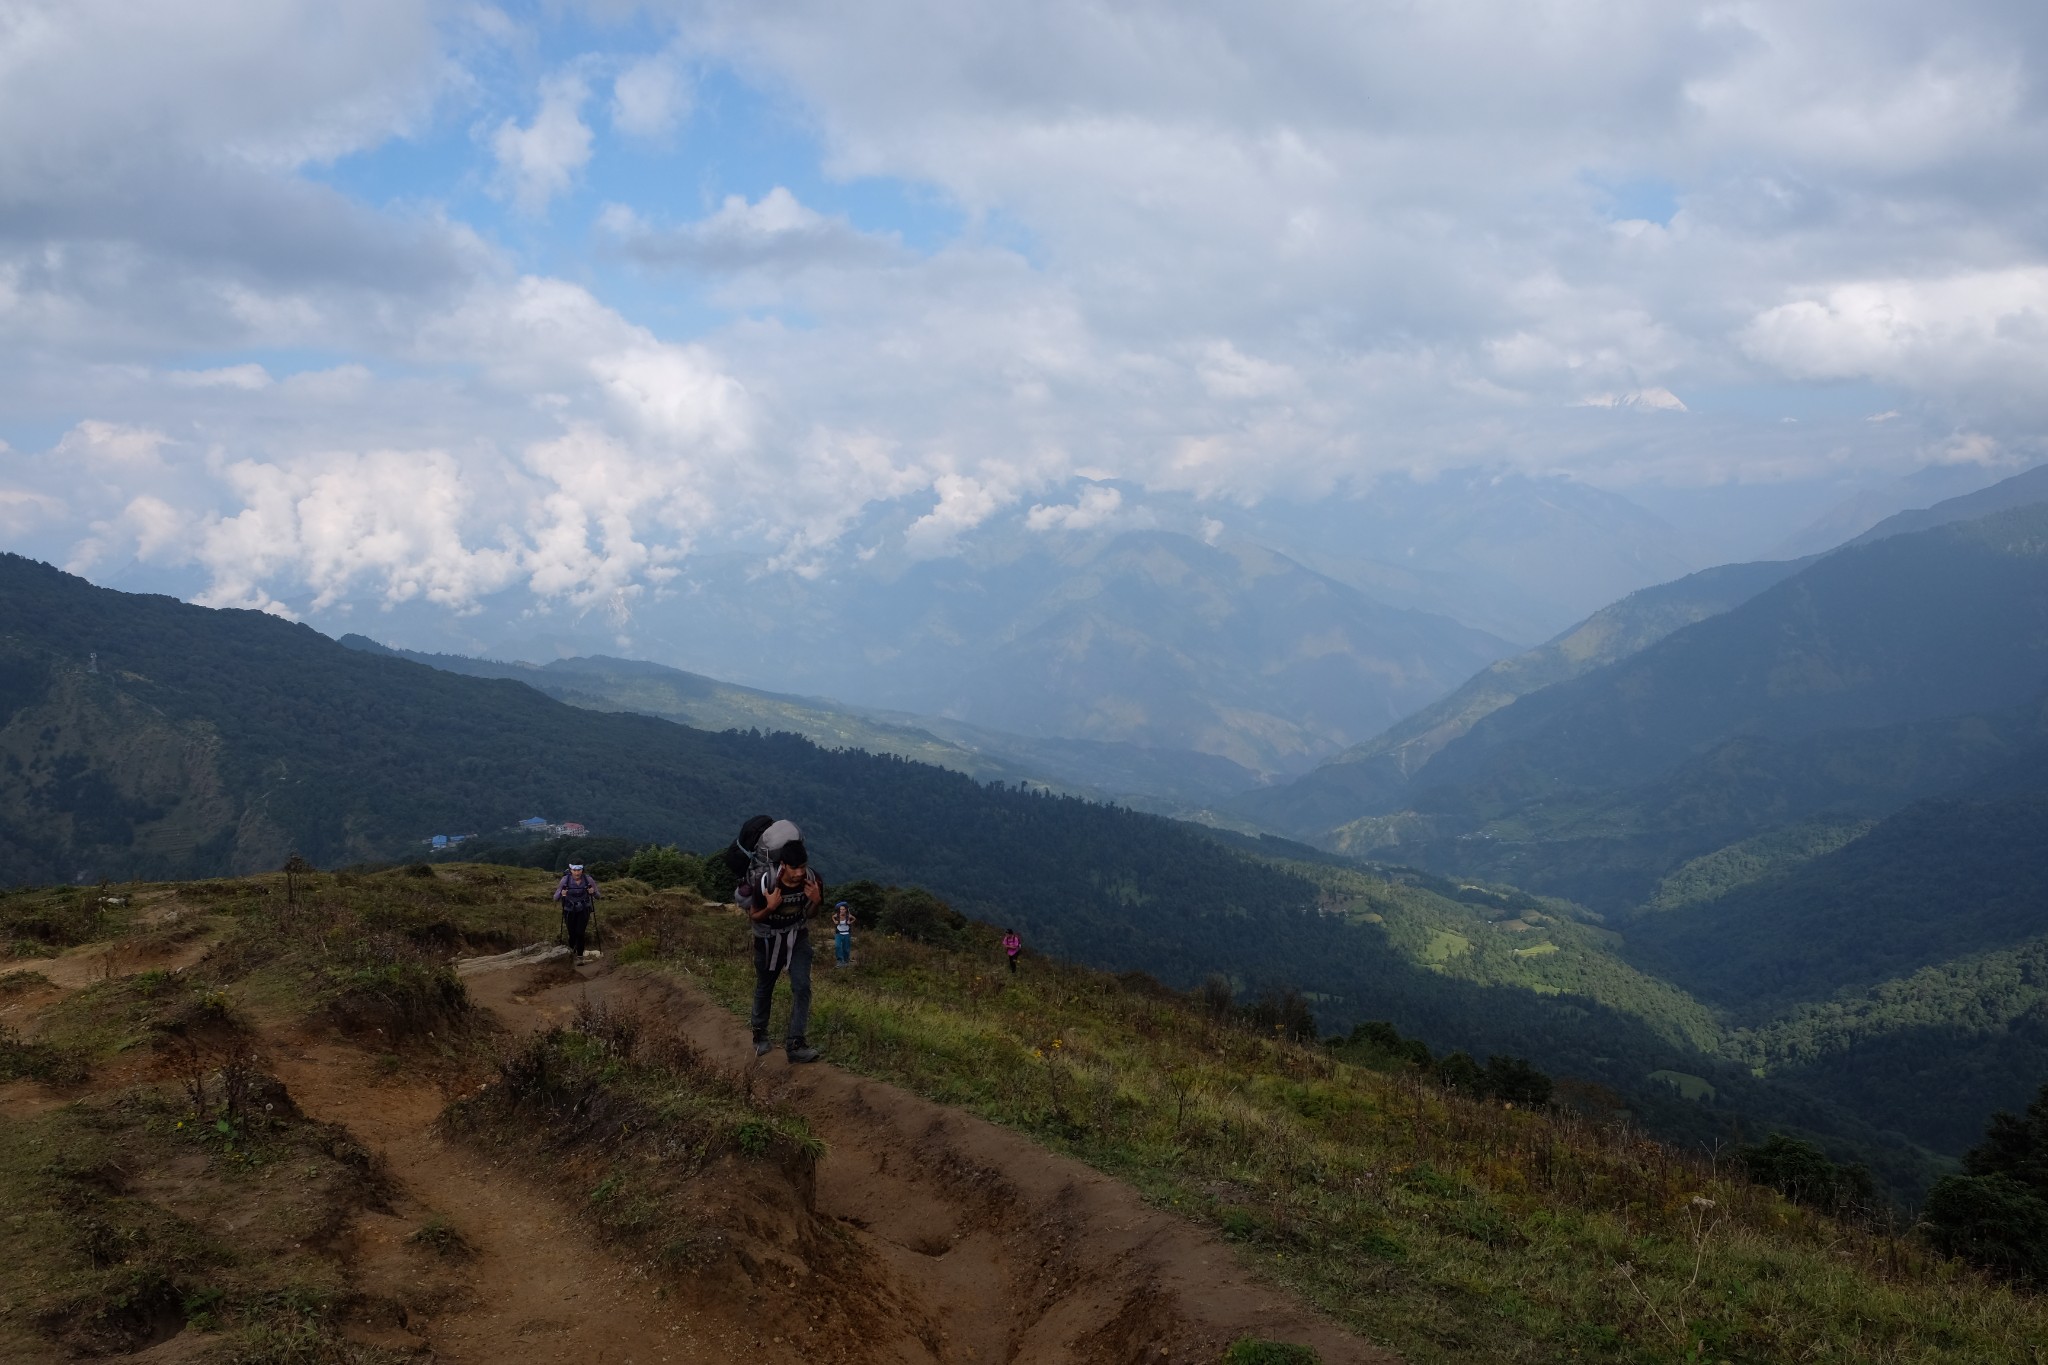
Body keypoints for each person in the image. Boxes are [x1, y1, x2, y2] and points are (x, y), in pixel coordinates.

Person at [748, 836, 822, 1062]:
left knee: (802, 987)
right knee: (765, 986)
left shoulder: (813, 881)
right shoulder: (765, 882)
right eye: (794, 868)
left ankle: (795, 1044)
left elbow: (810, 915)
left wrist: (816, 901)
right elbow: (754, 916)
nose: (800, 873)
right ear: (783, 865)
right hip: (768, 940)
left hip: (797, 937)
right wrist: (770, 907)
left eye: (803, 866)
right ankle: (760, 1035)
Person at [553, 863, 600, 962]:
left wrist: (593, 892)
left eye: (579, 870)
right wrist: (562, 894)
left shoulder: (588, 879)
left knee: (580, 932)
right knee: (572, 933)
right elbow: (555, 897)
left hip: (584, 909)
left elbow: (598, 896)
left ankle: (579, 957)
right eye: (574, 870)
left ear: (582, 870)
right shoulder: (565, 880)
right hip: (569, 910)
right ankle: (572, 952)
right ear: (570, 870)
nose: (577, 872)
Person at [832, 901, 854, 968]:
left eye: (843, 909)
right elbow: (832, 917)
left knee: (846, 948)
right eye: (840, 909)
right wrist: (835, 921)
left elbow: (854, 918)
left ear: (846, 910)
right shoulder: (837, 915)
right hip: (838, 933)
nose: (842, 911)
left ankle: (846, 961)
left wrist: (850, 922)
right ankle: (840, 961)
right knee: (837, 946)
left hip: (846, 933)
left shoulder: (848, 916)